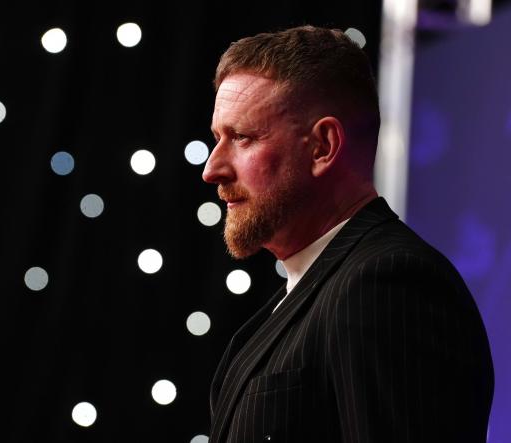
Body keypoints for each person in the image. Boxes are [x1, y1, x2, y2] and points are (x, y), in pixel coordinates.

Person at [202, 25, 494, 443]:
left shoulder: (386, 285)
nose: (212, 169)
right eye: (217, 138)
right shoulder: (314, 290)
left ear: (323, 146)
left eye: (242, 138)